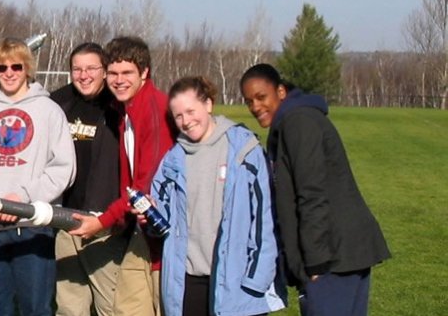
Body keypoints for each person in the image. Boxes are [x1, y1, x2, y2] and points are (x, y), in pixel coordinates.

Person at [240, 64, 390, 316]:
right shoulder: (291, 122)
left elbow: (311, 193)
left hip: (334, 258)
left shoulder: (298, 123)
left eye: (261, 97)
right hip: (338, 254)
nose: (255, 107)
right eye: (248, 101)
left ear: (281, 91)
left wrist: (315, 262)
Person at [0, 38, 76, 316]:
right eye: (2, 67)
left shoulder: (49, 111)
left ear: (27, 69)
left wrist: (21, 199)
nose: (9, 72)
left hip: (33, 228)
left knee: (36, 309)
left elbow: (63, 170)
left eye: (16, 66)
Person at [152, 76, 285, 316]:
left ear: (209, 104)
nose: (186, 121)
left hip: (236, 280)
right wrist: (148, 216)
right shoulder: (172, 160)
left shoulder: (245, 150)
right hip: (189, 280)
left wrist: (257, 277)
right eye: (178, 116)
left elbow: (264, 219)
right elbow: (162, 221)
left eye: (191, 111)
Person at [69, 36, 177, 316]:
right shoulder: (124, 111)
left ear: (144, 72)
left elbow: (143, 187)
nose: (118, 80)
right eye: (113, 74)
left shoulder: (153, 111)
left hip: (164, 236)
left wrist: (103, 222)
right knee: (126, 307)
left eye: (127, 73)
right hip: (141, 230)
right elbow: (128, 184)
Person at [50, 42, 125, 316]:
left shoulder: (118, 107)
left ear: (104, 71)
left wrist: (114, 217)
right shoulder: (58, 103)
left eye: (91, 68)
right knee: (70, 306)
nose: (84, 75)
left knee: (110, 305)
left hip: (106, 225)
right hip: (66, 221)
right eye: (77, 69)